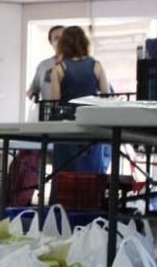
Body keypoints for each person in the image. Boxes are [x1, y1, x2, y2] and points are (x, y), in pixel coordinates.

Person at [44, 25, 109, 173]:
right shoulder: (96, 66)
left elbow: (55, 101)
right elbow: (105, 95)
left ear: (63, 44)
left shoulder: (59, 68)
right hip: (92, 126)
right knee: (91, 172)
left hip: (67, 128)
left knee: (65, 174)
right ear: (85, 42)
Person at [27, 25, 64, 101]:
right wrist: (33, 95)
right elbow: (32, 90)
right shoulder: (43, 66)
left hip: (76, 112)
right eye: (56, 38)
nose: (61, 41)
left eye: (64, 37)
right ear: (51, 42)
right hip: (48, 111)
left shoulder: (81, 64)